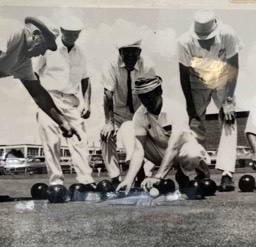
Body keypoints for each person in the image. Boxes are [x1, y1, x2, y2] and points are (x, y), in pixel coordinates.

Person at [177, 10, 244, 192]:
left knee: (229, 118)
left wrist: (229, 100)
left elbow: (233, 66)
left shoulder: (228, 33)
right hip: (196, 78)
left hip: (223, 75)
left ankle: (227, 174)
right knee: (195, 122)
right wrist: (190, 107)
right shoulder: (184, 41)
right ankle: (202, 171)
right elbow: (184, 76)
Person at [116, 76, 210, 194]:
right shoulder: (140, 114)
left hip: (179, 154)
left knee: (193, 152)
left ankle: (182, 174)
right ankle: (138, 178)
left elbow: (174, 147)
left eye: (149, 97)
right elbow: (138, 150)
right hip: (157, 152)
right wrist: (127, 180)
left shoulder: (176, 108)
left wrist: (158, 177)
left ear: (160, 91)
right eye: (142, 98)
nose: (146, 102)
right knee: (127, 126)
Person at [33, 16, 95, 187]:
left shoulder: (80, 53)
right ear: (61, 31)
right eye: (69, 33)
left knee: (80, 139)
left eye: (76, 34)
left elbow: (86, 79)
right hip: (49, 99)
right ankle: (56, 182)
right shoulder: (47, 48)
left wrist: (87, 103)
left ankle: (86, 181)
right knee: (51, 141)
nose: (72, 37)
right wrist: (40, 99)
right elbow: (34, 74)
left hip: (70, 101)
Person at [0, 16, 79, 139]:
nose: (43, 53)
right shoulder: (11, 30)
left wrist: (63, 121)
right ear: (36, 34)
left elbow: (38, 92)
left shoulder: (23, 61)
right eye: (45, 46)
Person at [100, 39, 156, 186]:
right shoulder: (110, 64)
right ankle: (114, 177)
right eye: (127, 51)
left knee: (142, 136)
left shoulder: (148, 66)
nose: (131, 55)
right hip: (116, 112)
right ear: (120, 53)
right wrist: (108, 123)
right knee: (105, 136)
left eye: (134, 51)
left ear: (140, 52)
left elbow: (150, 94)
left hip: (139, 110)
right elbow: (108, 94)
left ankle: (141, 174)